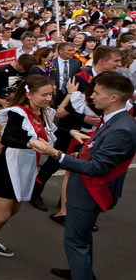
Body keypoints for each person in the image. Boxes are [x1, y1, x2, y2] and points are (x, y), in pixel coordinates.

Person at [29, 72, 136, 280]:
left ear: (113, 98)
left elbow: (98, 168)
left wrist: (56, 154)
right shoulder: (118, 119)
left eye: (97, 92)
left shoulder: (122, 127)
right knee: (82, 238)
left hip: (89, 191)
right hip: (88, 188)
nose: (92, 96)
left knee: (76, 243)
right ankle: (82, 271)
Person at [0, 75, 55, 273]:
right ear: (29, 94)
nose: (48, 98)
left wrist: (71, 134)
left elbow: (50, 134)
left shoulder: (42, 112)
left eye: (51, 94)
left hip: (27, 167)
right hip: (9, 166)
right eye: (44, 94)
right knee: (1, 214)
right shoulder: (18, 113)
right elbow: (7, 138)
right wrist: (28, 144)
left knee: (13, 210)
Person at [32, 46, 121, 210]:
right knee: (54, 162)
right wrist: (83, 118)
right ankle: (35, 192)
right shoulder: (80, 78)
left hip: (94, 132)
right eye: (116, 60)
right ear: (102, 61)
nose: (119, 63)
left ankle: (65, 202)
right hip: (71, 129)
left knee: (79, 166)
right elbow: (68, 106)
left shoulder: (113, 79)